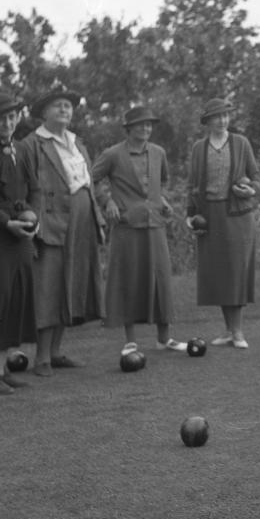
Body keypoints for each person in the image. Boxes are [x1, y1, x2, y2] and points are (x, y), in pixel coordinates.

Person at [19, 85, 105, 377]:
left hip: (82, 222)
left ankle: (55, 353)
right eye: (57, 105)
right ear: (43, 113)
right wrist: (31, 225)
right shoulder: (31, 144)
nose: (64, 110)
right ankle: (41, 358)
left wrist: (97, 219)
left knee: (71, 286)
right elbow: (23, 188)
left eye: (68, 106)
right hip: (50, 225)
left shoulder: (77, 143)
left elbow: (87, 184)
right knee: (49, 288)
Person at [91, 105, 185, 353]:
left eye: (149, 124)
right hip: (126, 225)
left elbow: (161, 182)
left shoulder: (158, 153)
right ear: (129, 128)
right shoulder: (112, 154)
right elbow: (92, 178)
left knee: (161, 278)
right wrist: (107, 200)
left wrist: (161, 200)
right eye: (141, 124)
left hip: (155, 224)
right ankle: (130, 341)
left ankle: (164, 339)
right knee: (128, 279)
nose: (146, 128)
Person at [186, 98, 260, 348]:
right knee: (218, 274)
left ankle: (238, 331)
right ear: (207, 121)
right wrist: (190, 214)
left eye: (226, 116)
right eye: (217, 117)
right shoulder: (199, 148)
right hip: (209, 217)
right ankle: (229, 331)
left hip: (238, 215)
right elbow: (192, 183)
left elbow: (256, 178)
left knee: (235, 271)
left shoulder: (241, 143)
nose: (222, 121)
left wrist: (250, 190)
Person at [0, 93, 39, 394]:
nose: (8, 122)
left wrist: (36, 220)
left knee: (14, 299)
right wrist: (5, 222)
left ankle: (2, 368)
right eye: (2, 118)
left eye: (13, 116)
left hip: (21, 237)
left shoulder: (23, 150)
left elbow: (37, 190)